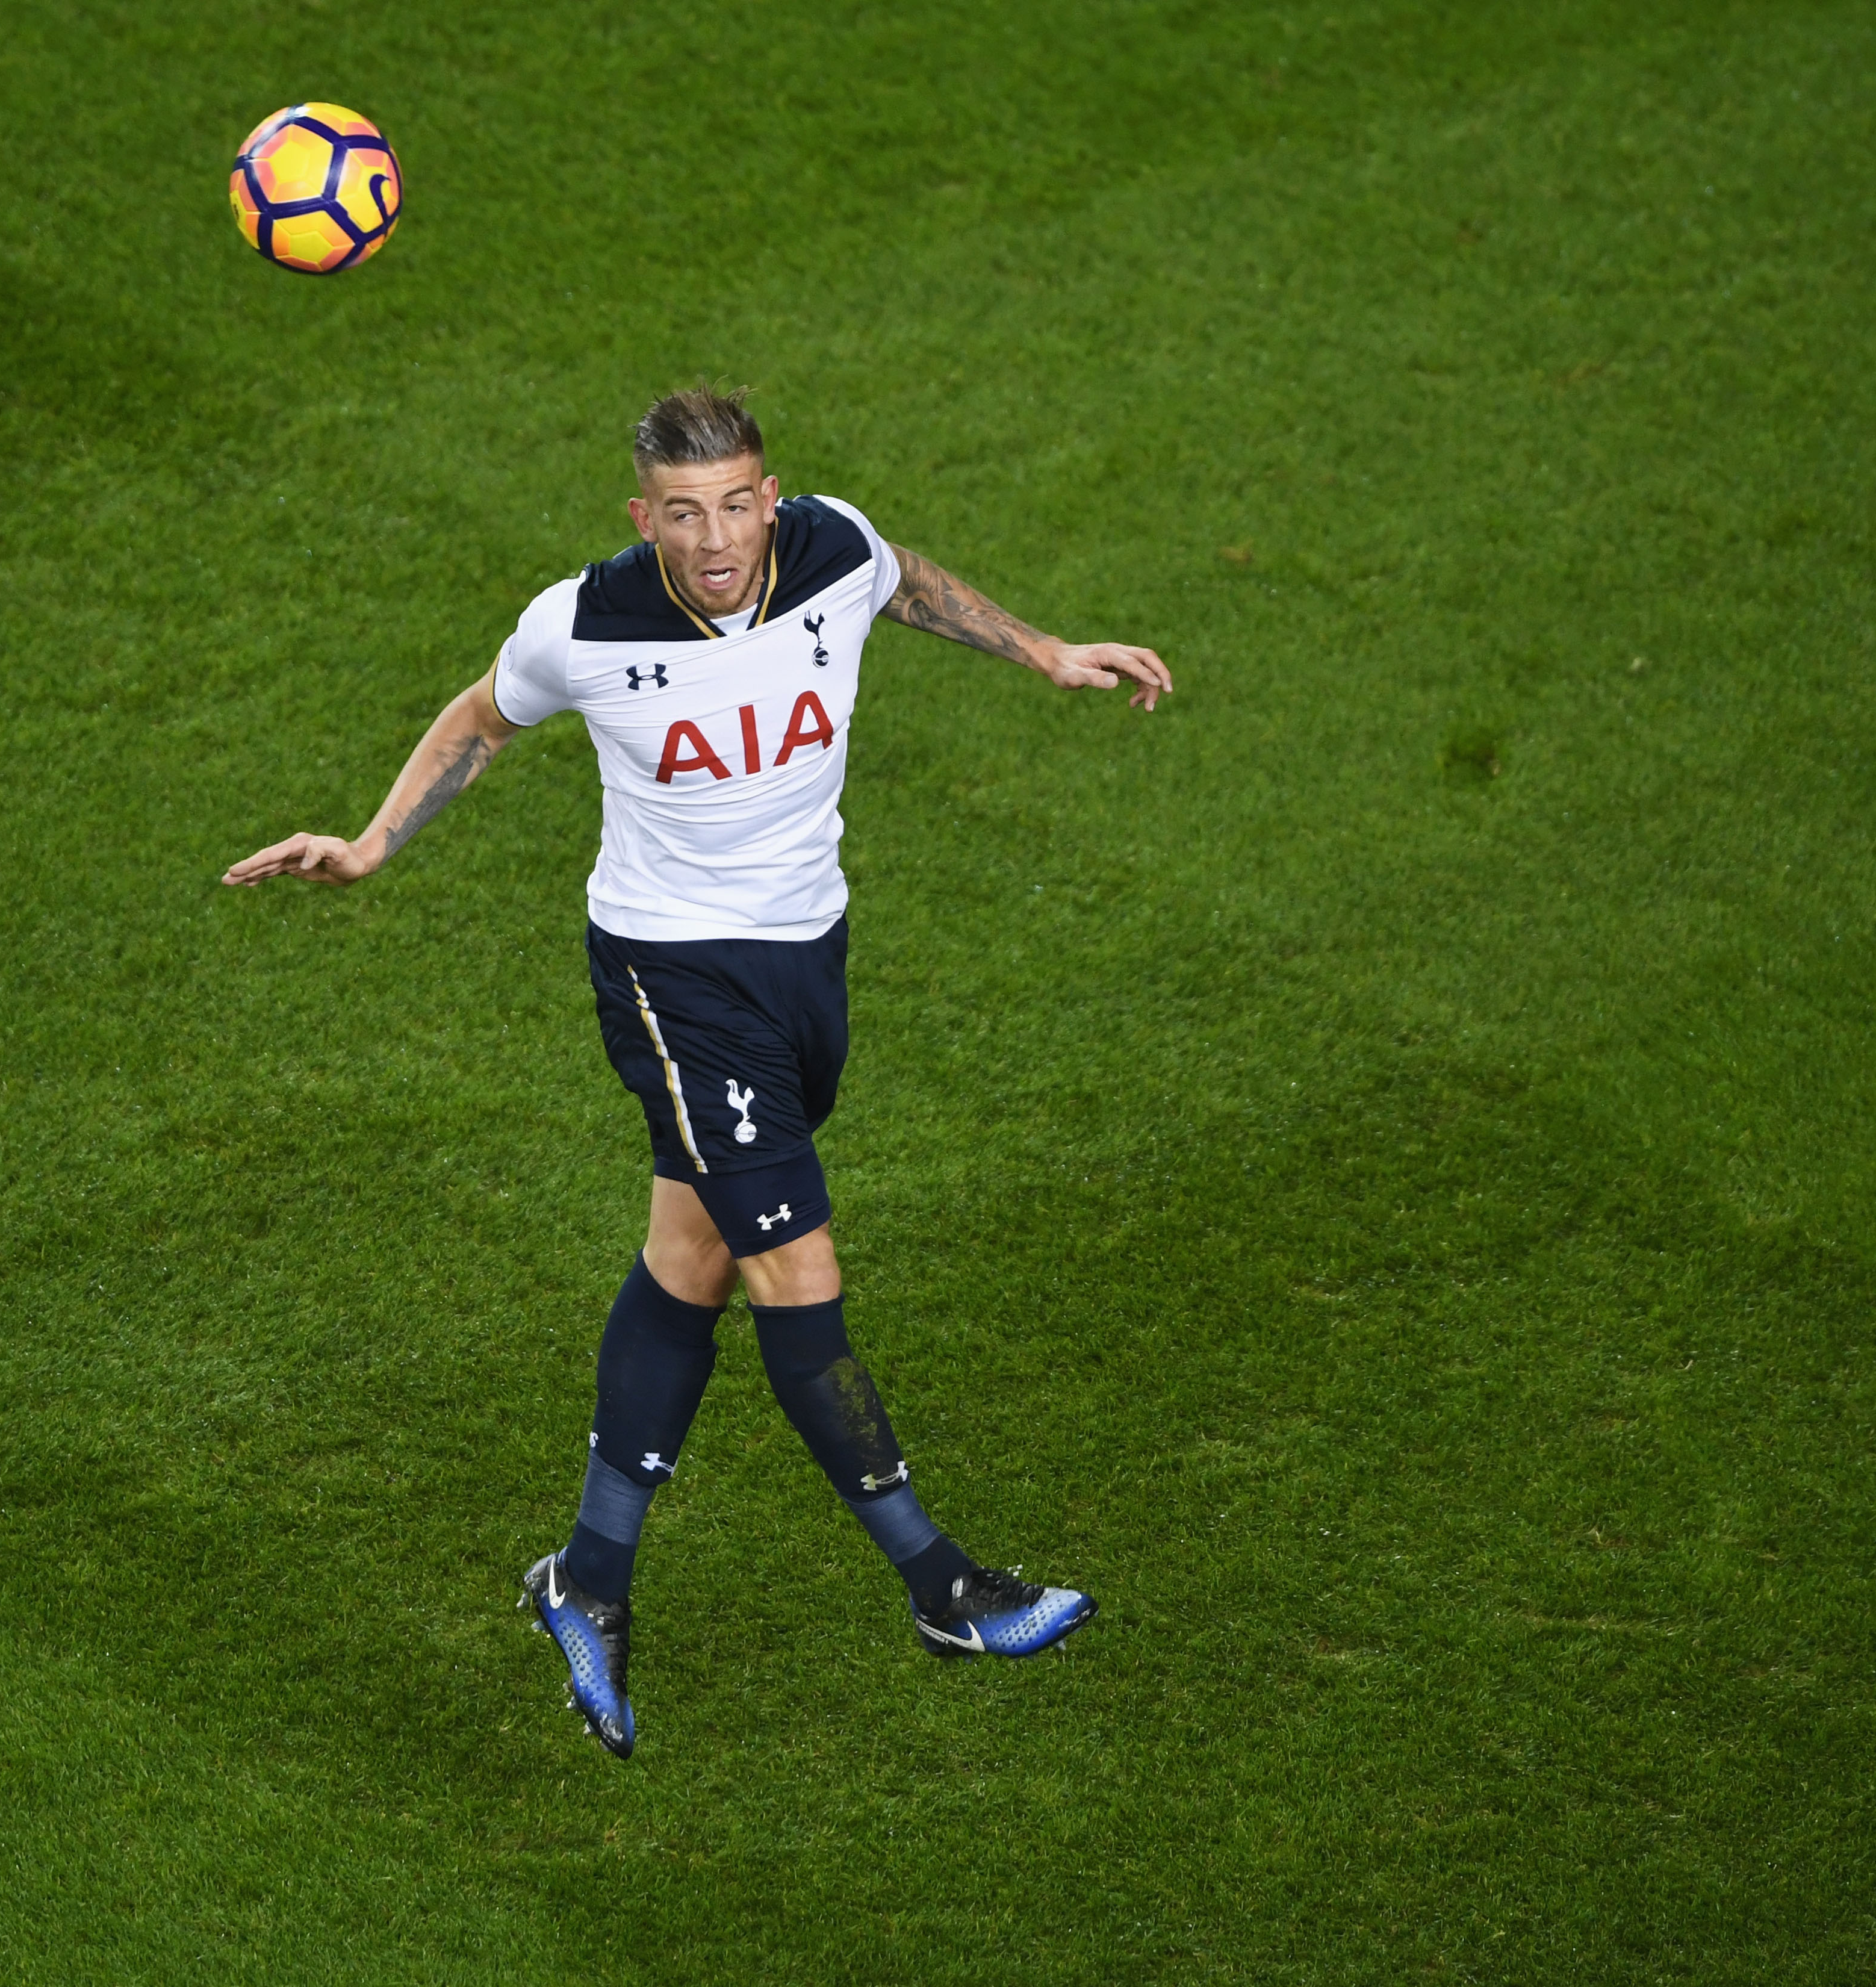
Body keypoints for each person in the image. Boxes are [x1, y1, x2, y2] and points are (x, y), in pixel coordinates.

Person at [225, 387, 1171, 1758]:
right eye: (684, 514)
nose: (716, 538)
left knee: (693, 1256)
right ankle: (941, 1586)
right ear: (643, 517)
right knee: (795, 1266)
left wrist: (1044, 652)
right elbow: (482, 718)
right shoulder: (584, 624)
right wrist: (372, 844)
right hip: (673, 980)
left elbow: (907, 582)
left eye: (736, 505)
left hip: (806, 961)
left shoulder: (832, 547)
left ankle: (586, 1578)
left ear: (770, 498)